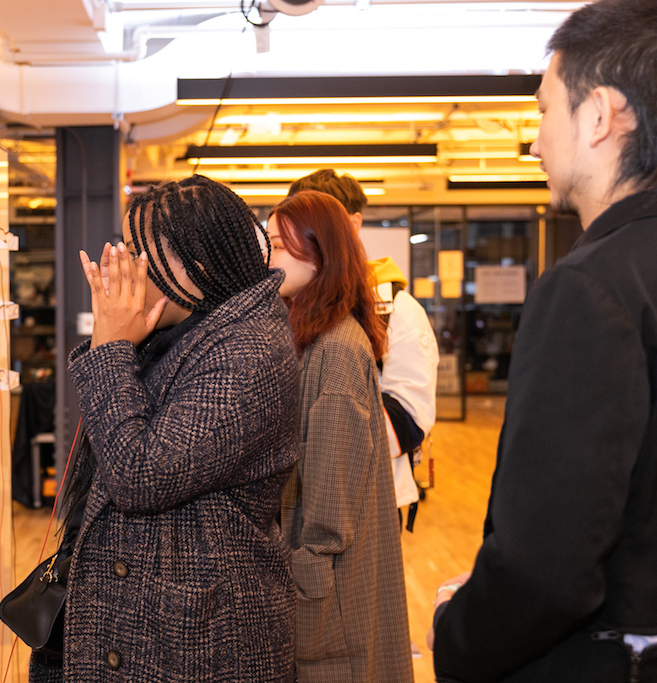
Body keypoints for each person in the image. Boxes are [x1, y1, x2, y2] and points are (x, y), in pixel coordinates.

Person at [429, 0, 657, 679]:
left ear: (600, 117)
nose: (533, 141)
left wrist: (457, 631)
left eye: (541, 110)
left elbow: (549, 568)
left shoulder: (590, 289)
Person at [29, 175, 300, 682]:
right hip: (160, 625)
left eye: (140, 253)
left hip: (201, 641)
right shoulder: (194, 326)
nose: (126, 268)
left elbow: (138, 474)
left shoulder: (249, 354)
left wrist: (111, 347)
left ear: (195, 265)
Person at [272, 190, 414, 682]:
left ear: (319, 254)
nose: (267, 258)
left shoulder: (335, 351)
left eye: (277, 245)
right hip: (322, 590)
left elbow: (331, 510)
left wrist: (295, 575)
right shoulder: (315, 337)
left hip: (327, 601)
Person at [289, 170, 439, 529]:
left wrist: (323, 443)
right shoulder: (285, 305)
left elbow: (411, 416)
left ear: (353, 223)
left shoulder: (396, 309)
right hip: (294, 495)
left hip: (370, 495)